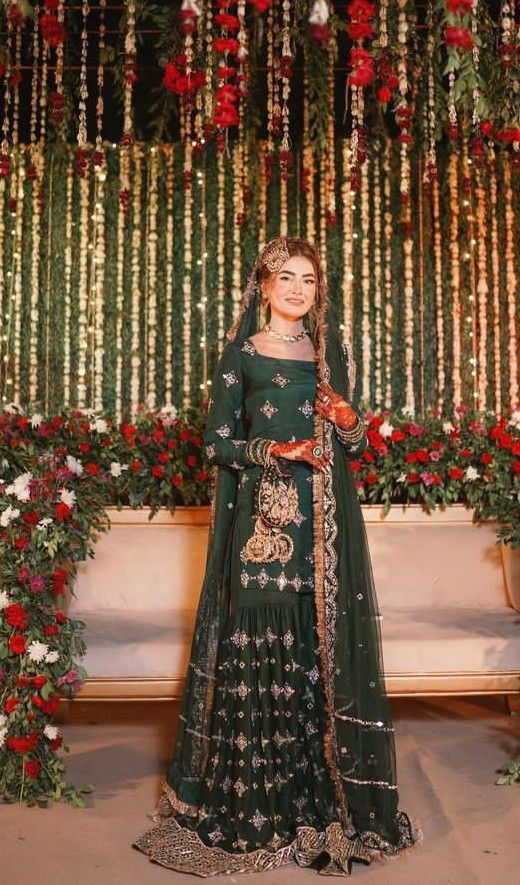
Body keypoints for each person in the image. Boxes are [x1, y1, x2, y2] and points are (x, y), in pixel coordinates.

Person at [133, 237, 420, 876]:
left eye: (308, 280)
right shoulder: (241, 356)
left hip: (323, 530)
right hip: (261, 524)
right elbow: (216, 442)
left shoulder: (330, 355)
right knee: (259, 633)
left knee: (312, 647)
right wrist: (278, 453)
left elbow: (350, 440)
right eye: (285, 278)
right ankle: (251, 803)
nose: (297, 289)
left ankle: (315, 803)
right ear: (263, 288)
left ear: (318, 292)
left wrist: (346, 418)